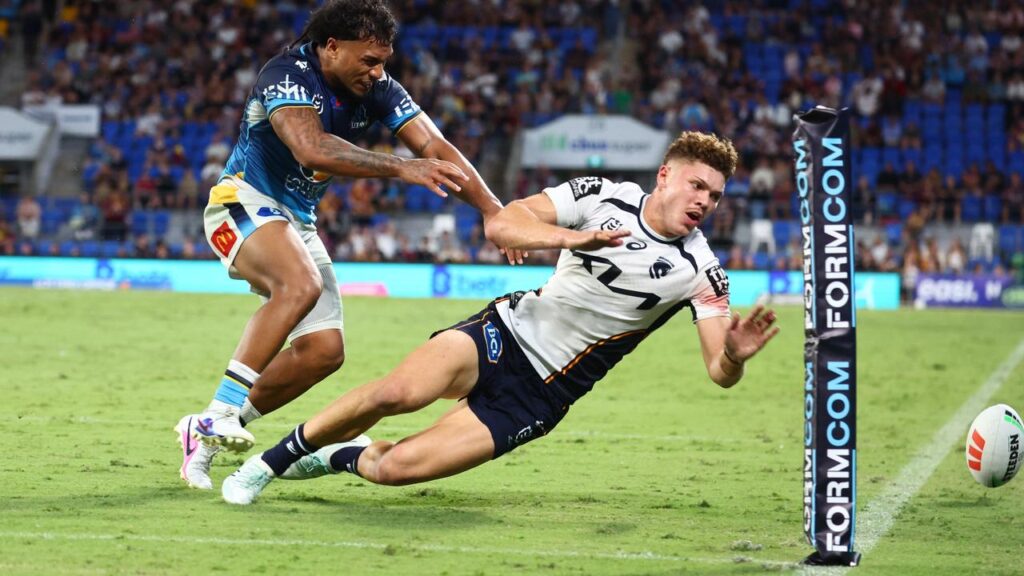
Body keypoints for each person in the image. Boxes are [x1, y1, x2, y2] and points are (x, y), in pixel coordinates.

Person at [219, 131, 780, 505]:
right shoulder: (602, 197)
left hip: (543, 394)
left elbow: (718, 371)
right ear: (665, 176)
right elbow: (504, 223)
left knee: (394, 470)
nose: (704, 202)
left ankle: (338, 455)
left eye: (715, 196)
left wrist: (733, 355)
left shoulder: (701, 271)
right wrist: (572, 238)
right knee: (397, 393)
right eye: (697, 185)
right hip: (505, 332)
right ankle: (266, 464)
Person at [176, 0, 517, 491]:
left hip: (298, 222)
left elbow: (433, 146)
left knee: (323, 352)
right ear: (332, 47)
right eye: (369, 60)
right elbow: (310, 147)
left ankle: (208, 430)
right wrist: (400, 167)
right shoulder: (287, 75)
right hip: (243, 200)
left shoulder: (378, 89)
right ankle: (221, 411)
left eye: (384, 62)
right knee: (299, 285)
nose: (378, 73)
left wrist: (492, 210)